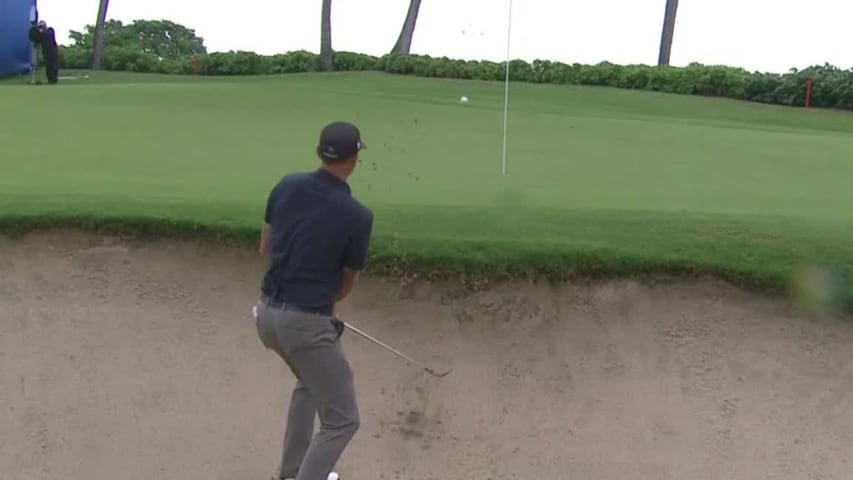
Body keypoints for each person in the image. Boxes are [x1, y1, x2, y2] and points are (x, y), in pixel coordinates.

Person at [254, 121, 374, 480]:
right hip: (304, 324)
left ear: (320, 152)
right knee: (343, 420)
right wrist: (320, 312)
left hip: (266, 316)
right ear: (354, 159)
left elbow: (266, 248)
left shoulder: (286, 185)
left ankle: (291, 472)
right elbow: (346, 284)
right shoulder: (358, 216)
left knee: (309, 382)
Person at [28, 20, 59, 84]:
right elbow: (33, 36)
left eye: (42, 26)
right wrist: (35, 27)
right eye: (40, 26)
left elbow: (46, 34)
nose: (41, 28)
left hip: (53, 52)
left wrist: (39, 29)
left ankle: (53, 80)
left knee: (53, 66)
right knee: (48, 67)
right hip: (46, 53)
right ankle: (50, 80)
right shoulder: (41, 36)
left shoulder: (50, 31)